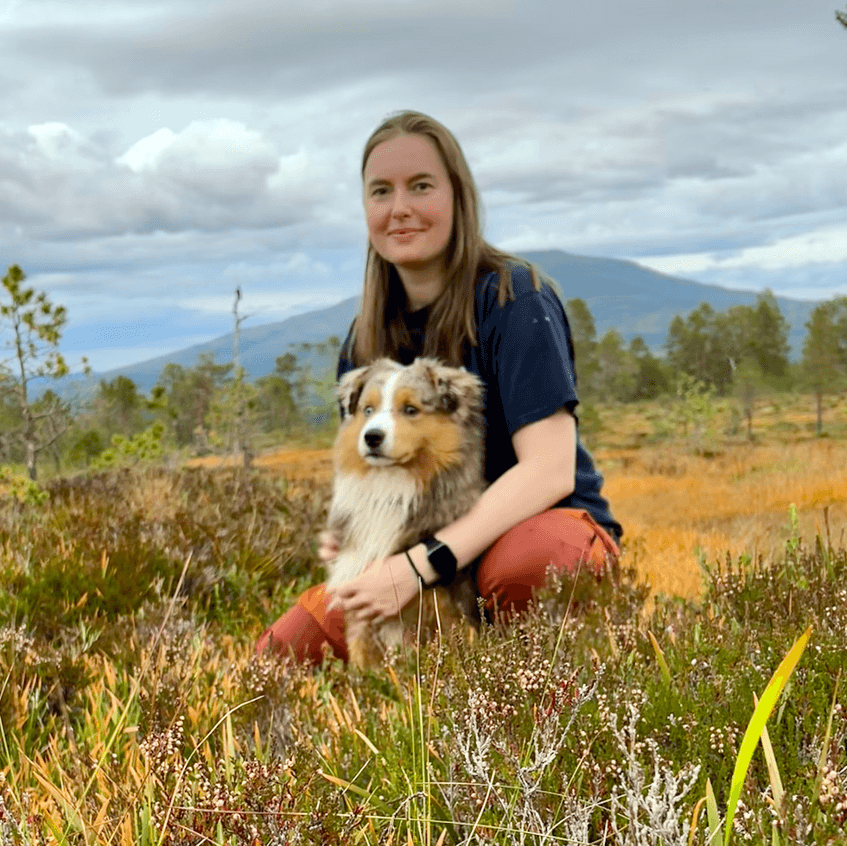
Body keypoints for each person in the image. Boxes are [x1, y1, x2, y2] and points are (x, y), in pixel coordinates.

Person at [256, 111, 622, 665]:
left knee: (525, 568)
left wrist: (416, 568)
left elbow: (550, 470)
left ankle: (542, 717)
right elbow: (372, 481)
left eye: (420, 186)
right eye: (381, 191)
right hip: (422, 557)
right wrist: (353, 543)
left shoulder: (513, 300)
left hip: (530, 534)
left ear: (458, 196)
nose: (399, 207)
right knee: (283, 653)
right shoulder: (365, 341)